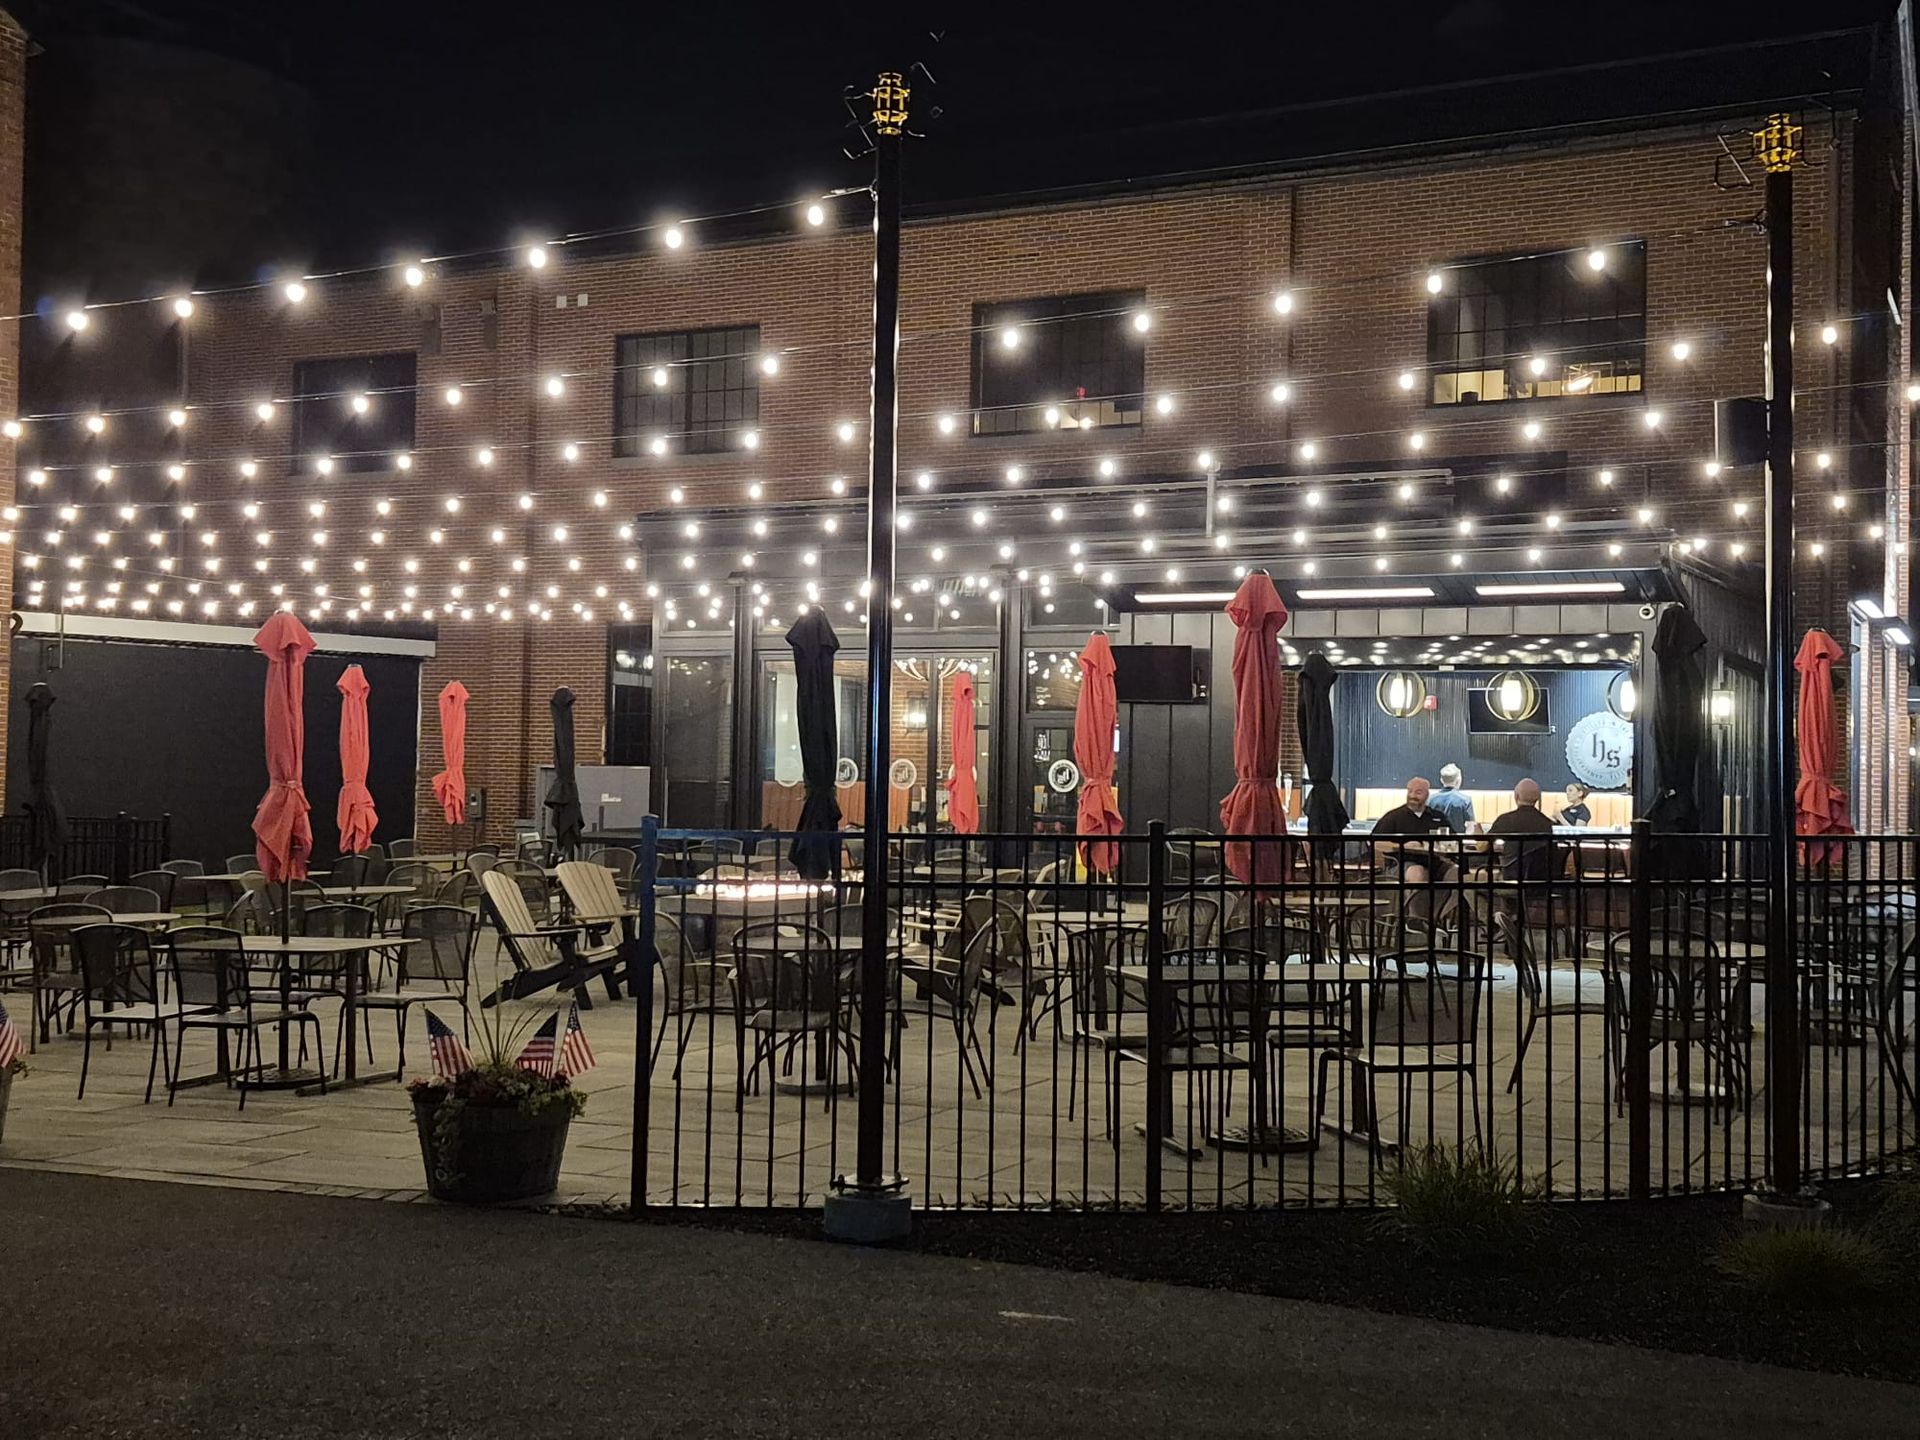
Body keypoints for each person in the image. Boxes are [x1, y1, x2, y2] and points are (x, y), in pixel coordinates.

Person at [1370, 776, 1452, 883]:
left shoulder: (1438, 816)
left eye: (1418, 792)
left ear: (1427, 795)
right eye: (1410, 791)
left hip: (1435, 862)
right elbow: (1375, 842)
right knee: (1417, 873)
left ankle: (1452, 900)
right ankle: (1416, 900)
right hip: (1402, 863)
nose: (1412, 796)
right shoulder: (1393, 817)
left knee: (1456, 873)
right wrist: (1401, 846)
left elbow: (1452, 840)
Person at [1486, 778, 1558, 881]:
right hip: (1540, 882)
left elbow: (1483, 846)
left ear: (1516, 796)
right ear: (1537, 798)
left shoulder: (1505, 820)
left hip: (1511, 878)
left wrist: (1477, 830)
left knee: (1468, 883)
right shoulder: (1546, 823)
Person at [1427, 763, 1477, 835]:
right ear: (1458, 780)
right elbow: (1470, 827)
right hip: (1457, 841)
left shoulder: (1430, 799)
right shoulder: (1465, 800)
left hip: (1436, 841)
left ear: (1441, 780)